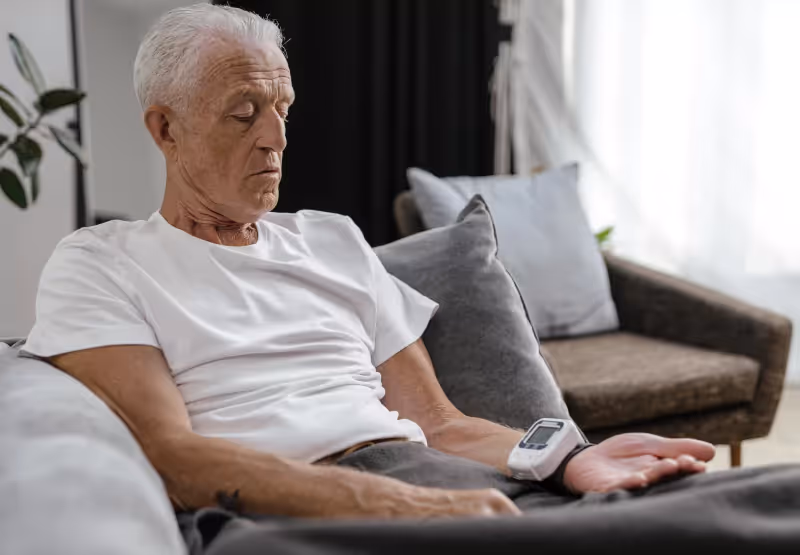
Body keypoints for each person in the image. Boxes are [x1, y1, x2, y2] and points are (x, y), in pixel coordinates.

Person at [24, 5, 799, 554]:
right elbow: (174, 456)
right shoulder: (102, 262)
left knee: (770, 494)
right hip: (289, 509)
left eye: (284, 108)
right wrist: (410, 505)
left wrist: (568, 457)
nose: (277, 137)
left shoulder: (332, 239)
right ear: (165, 127)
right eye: (244, 111)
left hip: (431, 479)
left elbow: (442, 421)